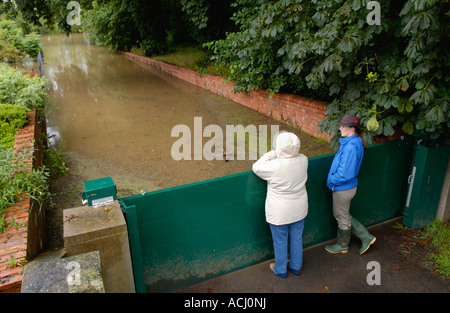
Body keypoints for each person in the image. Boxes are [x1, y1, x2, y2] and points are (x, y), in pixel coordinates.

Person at [252, 132, 308, 278]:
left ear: (279, 147)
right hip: (299, 209)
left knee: (280, 241)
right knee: (296, 238)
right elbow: (295, 156)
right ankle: (296, 267)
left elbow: (256, 166)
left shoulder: (273, 166)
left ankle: (280, 269)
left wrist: (273, 153)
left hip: (279, 213)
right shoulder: (303, 160)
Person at [324, 114, 376, 255]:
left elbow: (345, 174)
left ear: (352, 128)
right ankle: (366, 237)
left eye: (343, 126)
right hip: (346, 187)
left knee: (341, 216)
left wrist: (331, 180)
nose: (340, 128)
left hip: (343, 188)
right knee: (343, 215)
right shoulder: (353, 142)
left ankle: (343, 245)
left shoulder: (351, 147)